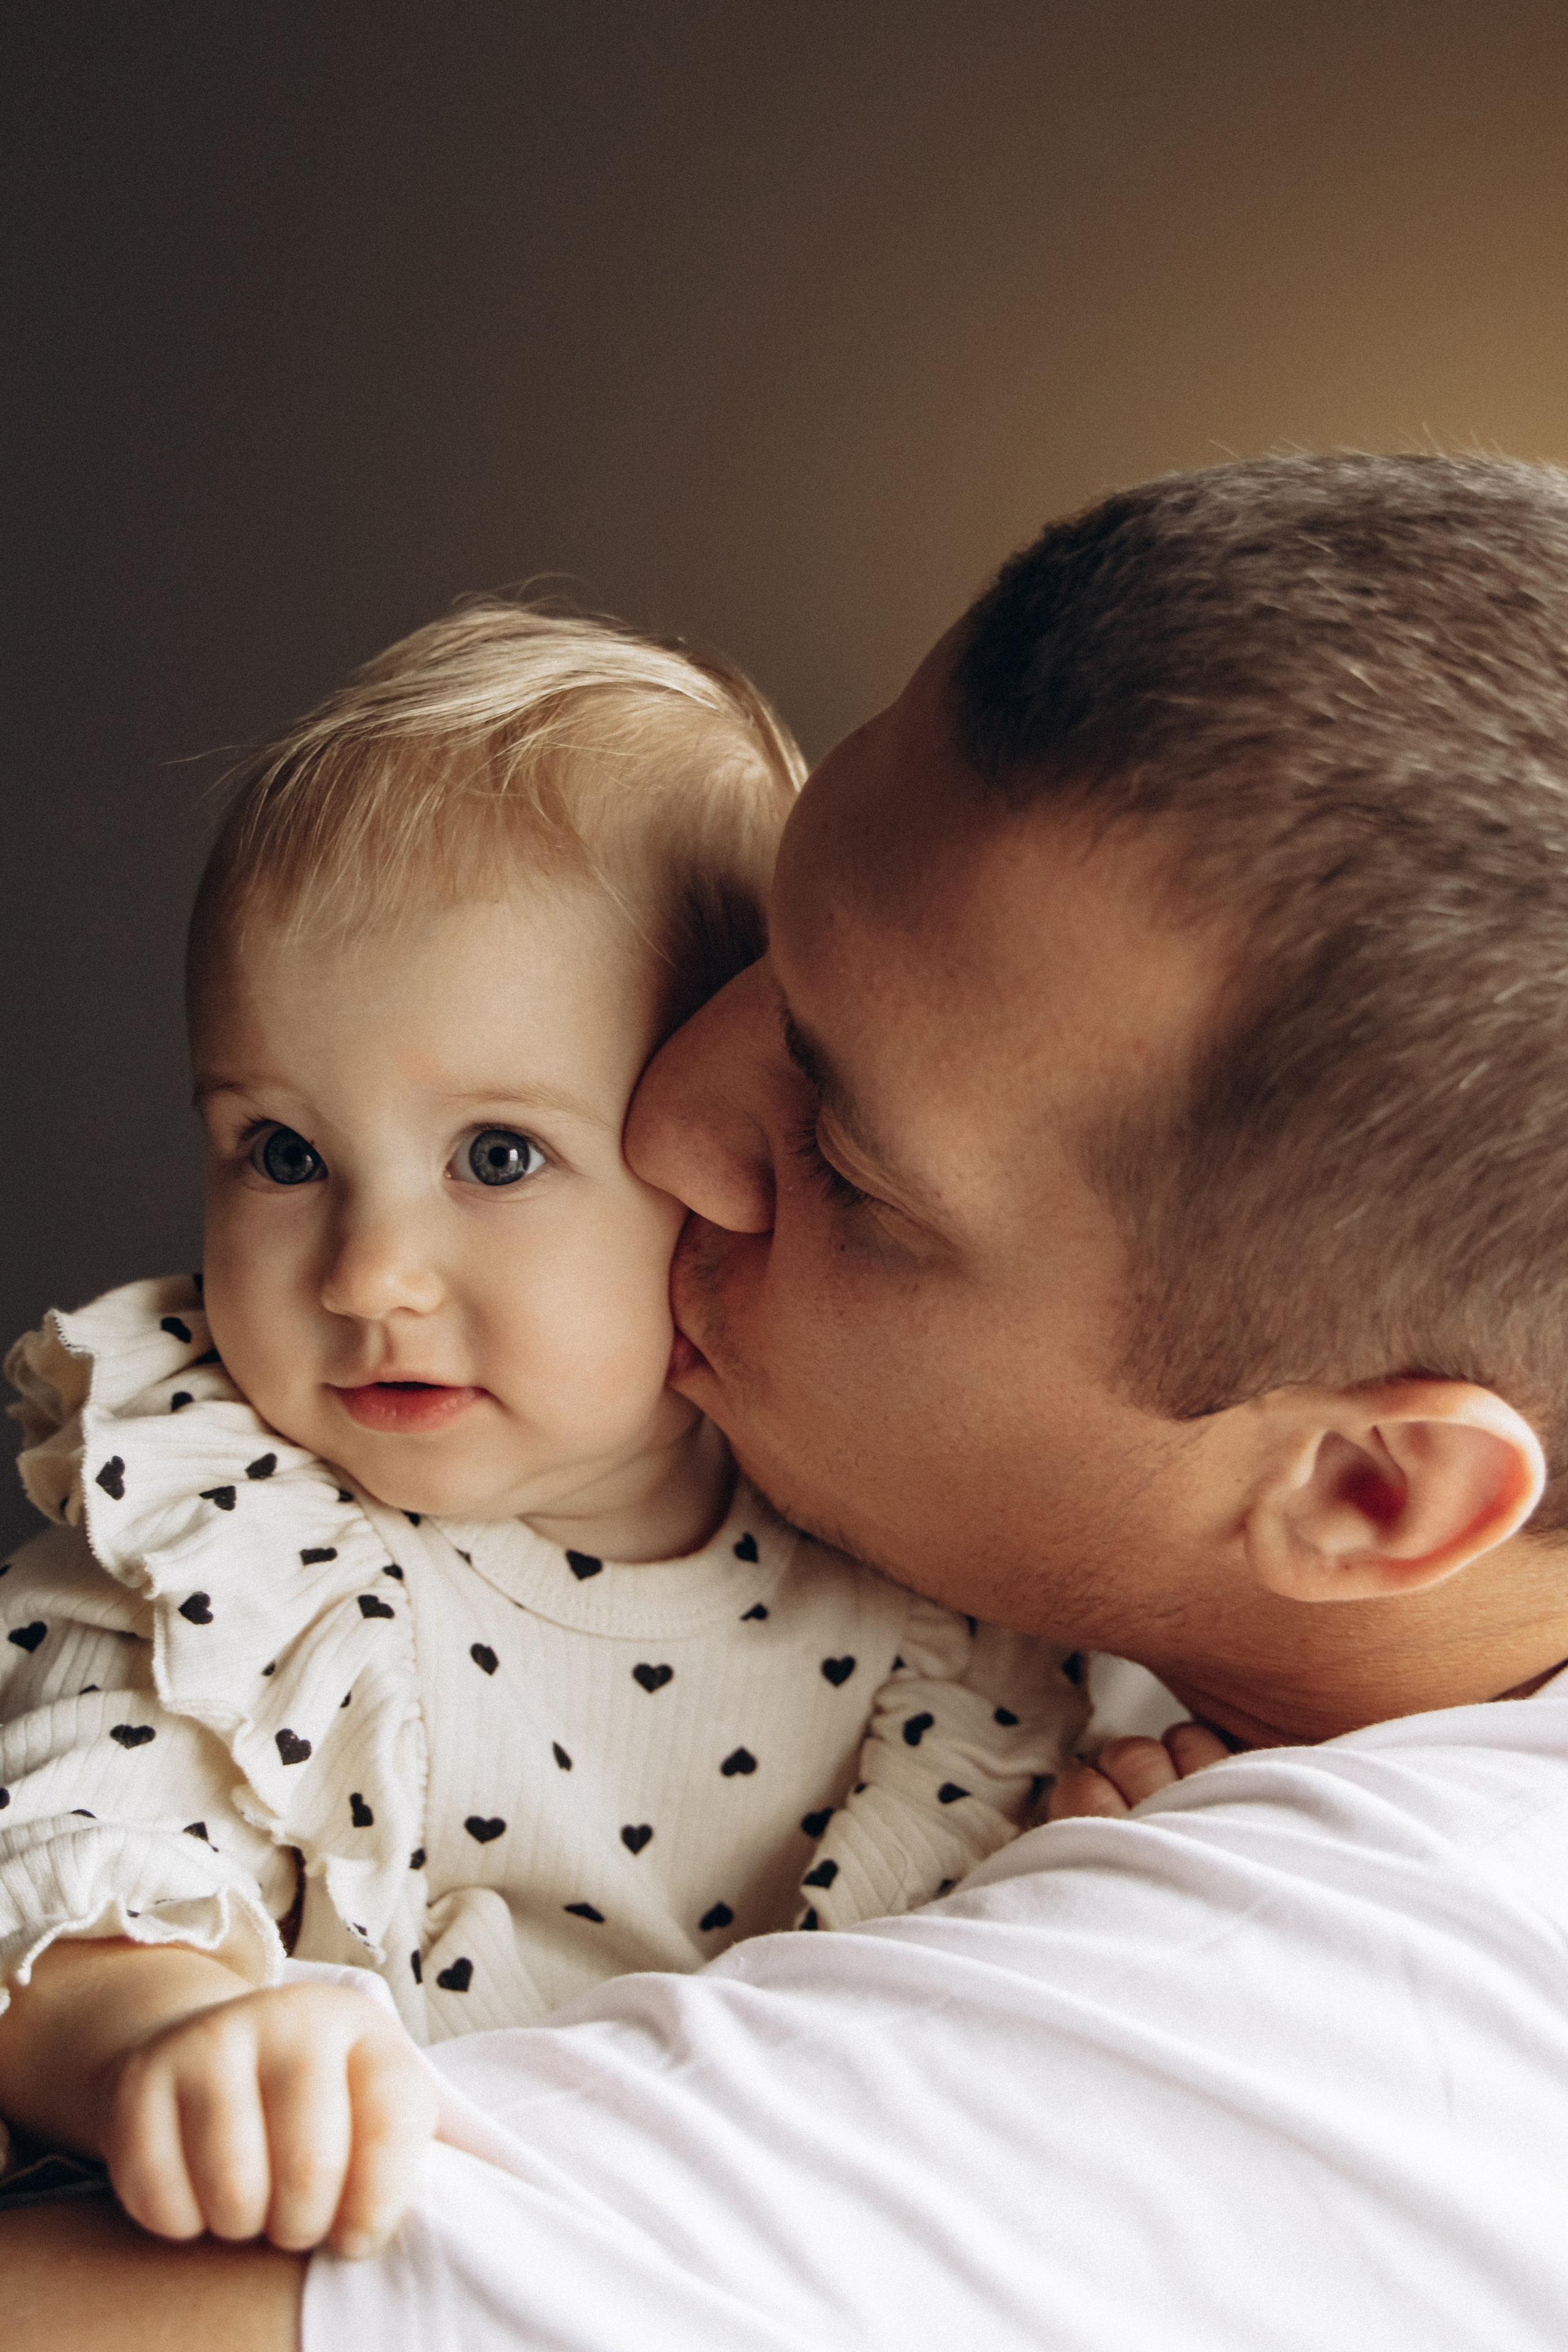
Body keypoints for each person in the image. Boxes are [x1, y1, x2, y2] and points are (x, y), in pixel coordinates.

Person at [10, 450, 1568, 2349]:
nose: (668, 1126)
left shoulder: (1327, 1992)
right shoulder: (251, 1524)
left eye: (840, 1149)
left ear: (1365, 1498)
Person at [0, 604, 1076, 2259]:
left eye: (496, 1158)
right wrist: (155, 2032)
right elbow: (62, 1860)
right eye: (281, 1153)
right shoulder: (232, 1524)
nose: (367, 1272)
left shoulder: (916, 1575)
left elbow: (958, 1999)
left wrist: (1102, 1827)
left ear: (721, 1155)